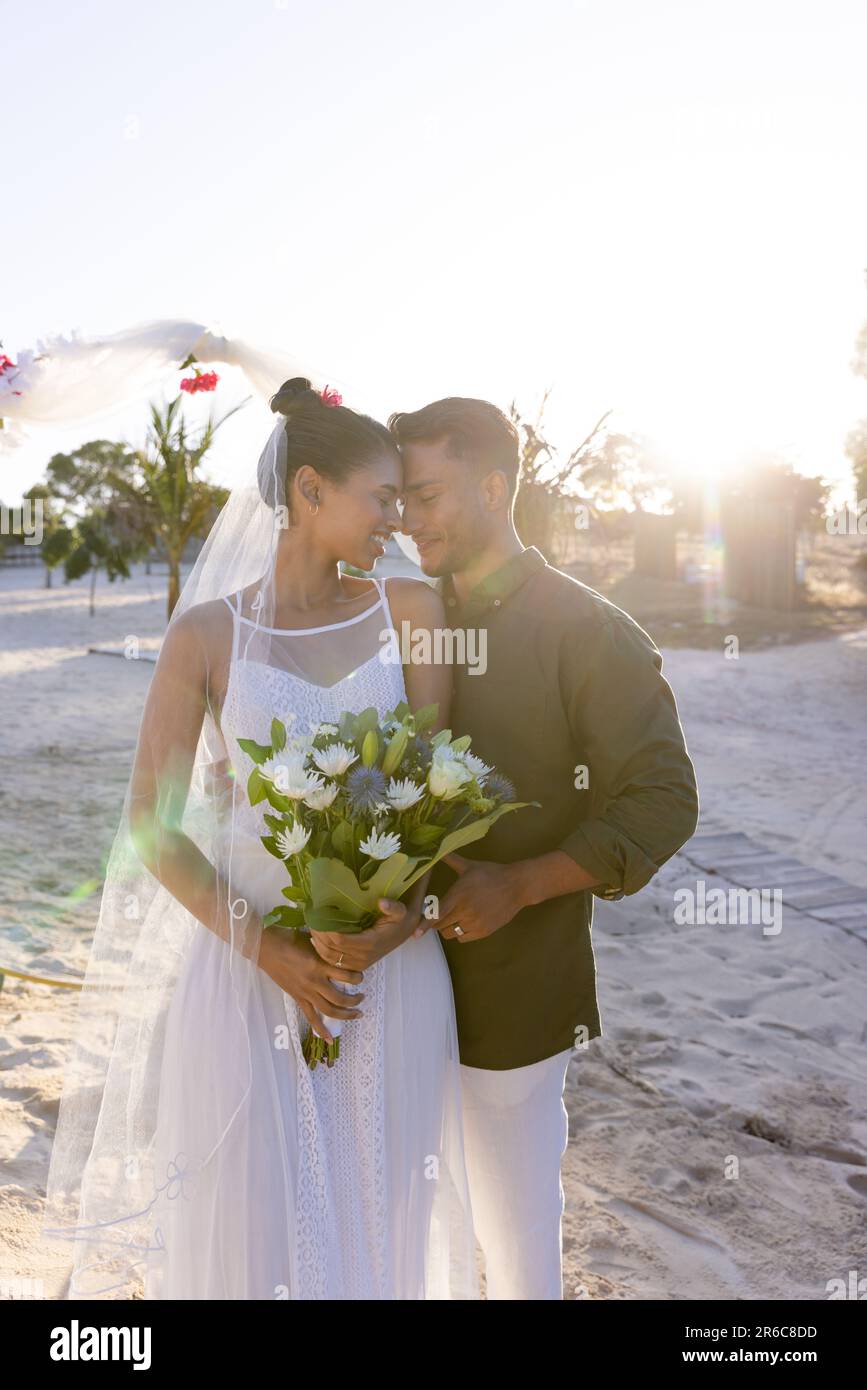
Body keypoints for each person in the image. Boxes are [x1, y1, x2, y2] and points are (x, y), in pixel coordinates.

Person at [41, 378, 479, 1300]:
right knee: (259, 1226)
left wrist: (390, 928)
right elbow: (150, 827)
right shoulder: (203, 635)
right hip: (247, 971)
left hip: (385, 973)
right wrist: (268, 949)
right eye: (381, 498)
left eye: (405, 501)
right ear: (310, 489)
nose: (395, 522)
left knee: (381, 1206)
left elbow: (438, 792)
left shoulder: (413, 615)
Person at [389, 396, 700, 1300]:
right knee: (416, 1220)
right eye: (400, 498)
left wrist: (523, 883)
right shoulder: (399, 613)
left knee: (514, 1228)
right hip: (389, 979)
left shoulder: (587, 628)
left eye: (428, 495)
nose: (409, 519)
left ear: (493, 489)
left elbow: (664, 800)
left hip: (516, 988)